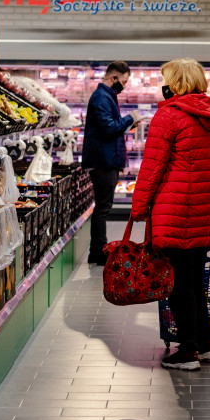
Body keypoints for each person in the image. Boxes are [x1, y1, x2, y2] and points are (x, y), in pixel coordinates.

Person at [131, 58, 210, 371]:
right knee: (195, 278)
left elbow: (153, 166)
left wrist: (139, 206)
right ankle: (206, 343)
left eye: (165, 79)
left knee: (179, 282)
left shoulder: (169, 114)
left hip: (177, 208)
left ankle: (188, 349)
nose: (162, 85)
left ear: (174, 83)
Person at [82, 61, 141, 266]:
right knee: (103, 208)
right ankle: (98, 252)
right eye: (123, 81)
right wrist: (128, 118)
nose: (124, 86)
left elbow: (110, 128)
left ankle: (97, 250)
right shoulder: (101, 97)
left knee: (103, 207)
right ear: (114, 78)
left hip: (107, 159)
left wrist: (129, 123)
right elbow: (108, 128)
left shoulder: (108, 96)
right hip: (103, 161)